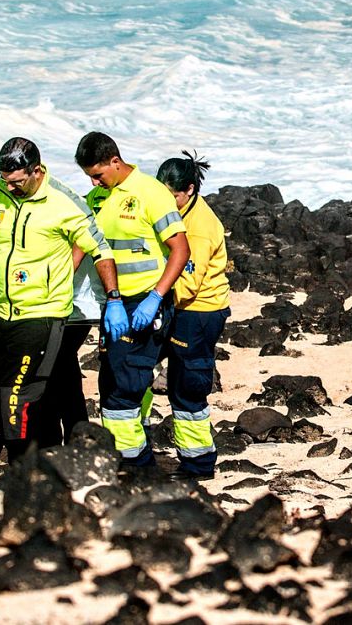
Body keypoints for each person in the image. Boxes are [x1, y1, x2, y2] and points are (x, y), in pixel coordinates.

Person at [0, 138, 119, 460]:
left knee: (19, 397)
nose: (12, 188)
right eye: (7, 181)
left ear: (36, 171)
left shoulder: (64, 202)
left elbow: (100, 249)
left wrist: (113, 299)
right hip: (5, 311)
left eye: (18, 182)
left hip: (45, 314)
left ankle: (28, 463)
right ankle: (36, 454)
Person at [76, 132, 191, 468]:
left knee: (123, 388)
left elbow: (180, 250)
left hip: (144, 302)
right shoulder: (99, 196)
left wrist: (156, 298)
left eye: (98, 174)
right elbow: (84, 244)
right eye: (89, 177)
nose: (95, 182)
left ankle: (137, 465)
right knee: (110, 381)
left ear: (115, 160)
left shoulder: (150, 193)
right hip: (113, 304)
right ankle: (127, 459)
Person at [154, 153, 231, 478]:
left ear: (188, 190)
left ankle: (198, 462)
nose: (164, 201)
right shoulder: (172, 213)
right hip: (178, 305)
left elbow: (187, 282)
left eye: (170, 195)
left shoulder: (199, 227)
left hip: (199, 311)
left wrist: (153, 300)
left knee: (187, 386)